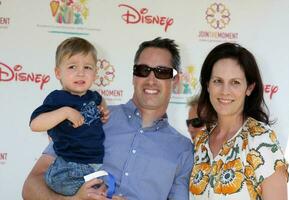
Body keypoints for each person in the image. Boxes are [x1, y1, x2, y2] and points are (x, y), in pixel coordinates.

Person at [22, 37, 194, 200]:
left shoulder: (183, 150)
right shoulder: (90, 115)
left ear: (176, 80)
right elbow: (31, 187)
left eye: (162, 72)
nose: (151, 79)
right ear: (134, 76)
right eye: (143, 70)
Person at [189, 42, 288, 200]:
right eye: (218, 81)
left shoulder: (262, 140)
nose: (225, 91)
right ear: (207, 85)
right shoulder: (201, 141)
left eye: (235, 82)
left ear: (249, 88)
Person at [29, 37, 115, 198]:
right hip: (68, 164)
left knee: (98, 191)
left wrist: (103, 111)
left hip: (94, 162)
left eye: (87, 67)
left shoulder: (94, 97)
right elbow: (35, 124)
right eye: (72, 66)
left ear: (95, 73)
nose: (80, 72)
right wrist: (65, 112)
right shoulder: (57, 99)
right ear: (58, 73)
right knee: (83, 192)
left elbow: (101, 103)